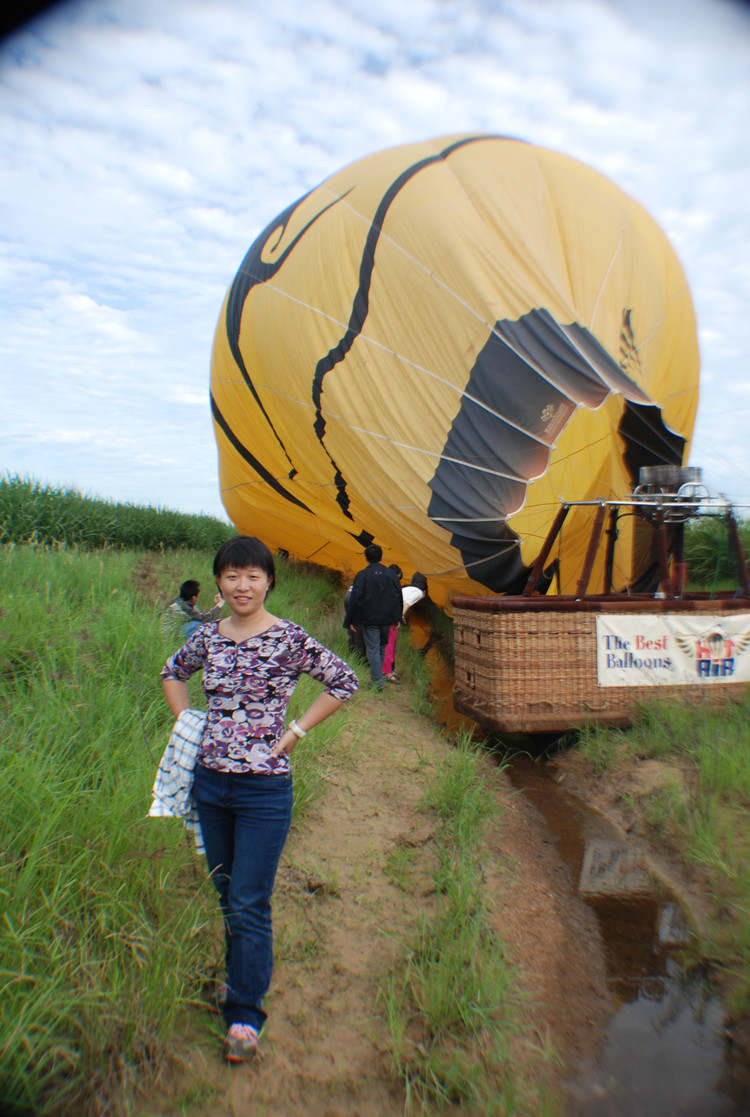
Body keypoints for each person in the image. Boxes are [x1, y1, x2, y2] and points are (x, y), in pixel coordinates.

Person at [160, 536, 358, 1063]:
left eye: (252, 575)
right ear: (219, 585)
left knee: (249, 899)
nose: (242, 585)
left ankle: (245, 1015)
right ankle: (240, 980)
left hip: (264, 788)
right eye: (231, 576)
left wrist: (296, 732)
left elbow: (344, 680)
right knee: (229, 895)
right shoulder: (209, 636)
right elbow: (172, 672)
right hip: (210, 783)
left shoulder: (290, 638)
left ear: (270, 580)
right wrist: (186, 720)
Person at [342, 544, 402, 691]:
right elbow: (398, 596)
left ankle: (377, 684)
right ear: (382, 557)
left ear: (366, 558)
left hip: (369, 619)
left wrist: (350, 620)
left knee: (373, 649)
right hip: (387, 619)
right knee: (381, 647)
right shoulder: (391, 575)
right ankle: (378, 680)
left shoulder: (363, 575)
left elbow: (355, 598)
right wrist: (397, 617)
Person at [383, 572, 428, 683]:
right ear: (425, 591)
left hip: (384, 612)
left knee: (387, 643)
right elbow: (406, 604)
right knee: (390, 644)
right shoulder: (417, 592)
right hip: (390, 615)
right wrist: (400, 617)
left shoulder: (407, 589)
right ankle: (387, 672)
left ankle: (387, 670)